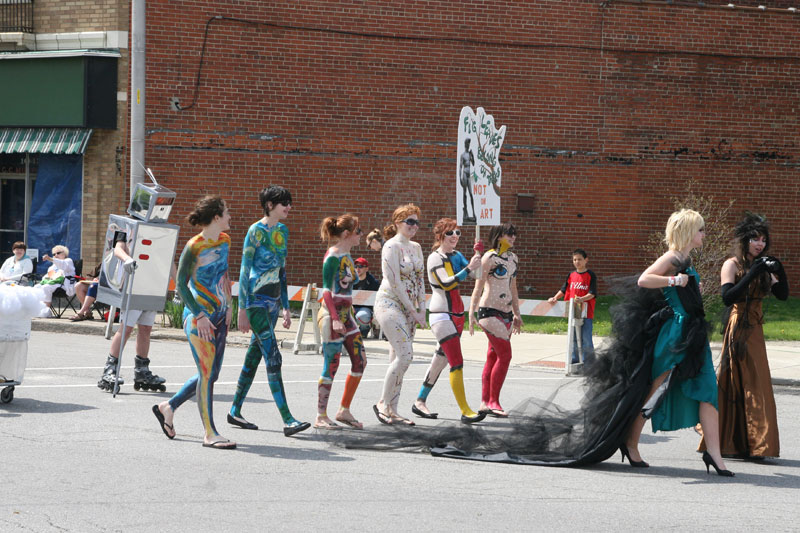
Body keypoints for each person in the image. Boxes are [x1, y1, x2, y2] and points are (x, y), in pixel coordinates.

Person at [622, 209, 732, 476]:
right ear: (687, 232)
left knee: (708, 391)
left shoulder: (686, 258)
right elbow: (644, 279)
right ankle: (630, 443)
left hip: (693, 334)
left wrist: (693, 285)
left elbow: (681, 289)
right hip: (675, 334)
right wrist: (674, 279)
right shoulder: (672, 257)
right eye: (701, 229)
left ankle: (715, 455)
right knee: (656, 392)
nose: (704, 234)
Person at [699, 213, 788, 460]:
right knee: (736, 382)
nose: (760, 244)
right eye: (755, 239)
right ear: (744, 241)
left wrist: (779, 271)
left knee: (756, 382)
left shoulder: (763, 265)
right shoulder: (732, 264)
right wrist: (752, 272)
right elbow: (728, 297)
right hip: (738, 327)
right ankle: (732, 441)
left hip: (755, 329)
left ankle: (755, 443)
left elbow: (782, 295)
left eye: (763, 240)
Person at [152, 196, 236, 449]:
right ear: (216, 217)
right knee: (207, 375)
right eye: (227, 212)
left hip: (220, 315)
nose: (231, 216)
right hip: (200, 318)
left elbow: (224, 273)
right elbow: (180, 285)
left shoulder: (225, 240)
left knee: (211, 374)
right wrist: (199, 315)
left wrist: (230, 305)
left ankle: (168, 406)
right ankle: (210, 433)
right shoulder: (194, 246)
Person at [228, 185, 310, 437]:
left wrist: (286, 306)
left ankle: (234, 410)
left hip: (274, 301)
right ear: (270, 205)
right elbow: (244, 269)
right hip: (255, 300)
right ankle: (288, 419)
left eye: (289, 202)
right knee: (273, 356)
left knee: (254, 356)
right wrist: (241, 308)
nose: (288, 207)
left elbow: (282, 270)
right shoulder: (255, 231)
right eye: (284, 202)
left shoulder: (283, 231)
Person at [412, 218, 485, 423]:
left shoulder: (458, 255)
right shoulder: (435, 258)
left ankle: (419, 401)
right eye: (450, 233)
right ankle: (465, 410)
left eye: (457, 233)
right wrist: (470, 268)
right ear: (440, 235)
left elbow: (476, 276)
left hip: (458, 315)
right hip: (441, 314)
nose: (454, 237)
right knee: (456, 362)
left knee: (440, 361)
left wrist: (477, 256)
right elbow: (446, 283)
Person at [373, 204, 426, 426]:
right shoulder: (391, 247)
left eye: (416, 222)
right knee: (406, 355)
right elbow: (394, 282)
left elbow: (421, 279)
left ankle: (393, 409)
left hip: (410, 309)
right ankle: (382, 404)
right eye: (409, 222)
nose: (413, 226)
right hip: (389, 304)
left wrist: (422, 308)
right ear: (397, 223)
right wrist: (413, 310)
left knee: (398, 359)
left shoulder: (416, 247)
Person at [314, 214, 368, 429]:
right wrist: (335, 318)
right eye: (358, 231)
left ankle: (344, 410)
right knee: (332, 365)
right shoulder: (333, 256)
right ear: (347, 234)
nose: (361, 235)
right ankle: (320, 415)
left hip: (348, 314)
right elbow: (326, 290)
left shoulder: (347, 255)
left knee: (360, 361)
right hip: (331, 315)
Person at [97, 235, 167, 392]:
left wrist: (177, 283)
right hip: (134, 286)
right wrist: (127, 259)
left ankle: (142, 370)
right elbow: (118, 248)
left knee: (146, 329)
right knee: (126, 329)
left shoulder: (160, 230)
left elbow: (166, 256)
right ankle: (110, 369)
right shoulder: (127, 228)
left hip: (151, 286)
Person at [469, 223, 521, 418]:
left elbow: (513, 288)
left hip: (506, 313)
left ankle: (485, 402)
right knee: (505, 356)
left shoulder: (513, 259)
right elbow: (478, 286)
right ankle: (493, 402)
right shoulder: (489, 257)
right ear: (499, 236)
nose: (513, 238)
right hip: (489, 312)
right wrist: (471, 312)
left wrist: (517, 313)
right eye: (509, 234)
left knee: (493, 355)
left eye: (514, 235)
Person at [548, 249, 597, 368]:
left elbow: (593, 293)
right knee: (573, 337)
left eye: (580, 259)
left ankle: (589, 364)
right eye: (575, 259)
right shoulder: (571, 275)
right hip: (572, 311)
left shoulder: (590, 275)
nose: (577, 262)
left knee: (586, 338)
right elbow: (564, 289)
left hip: (586, 312)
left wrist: (581, 299)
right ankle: (574, 361)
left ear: (586, 260)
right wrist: (555, 298)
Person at [352, 257, 380, 339]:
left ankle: (365, 329)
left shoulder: (373, 283)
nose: (357, 269)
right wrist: (350, 306)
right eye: (356, 266)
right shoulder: (350, 280)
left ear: (366, 268)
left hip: (366, 309)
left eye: (360, 266)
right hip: (351, 307)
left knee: (362, 316)